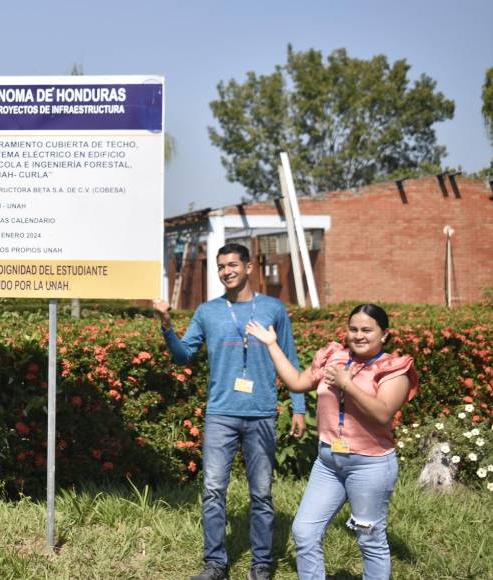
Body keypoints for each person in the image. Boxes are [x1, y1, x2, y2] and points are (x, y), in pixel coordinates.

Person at [152, 242, 306, 580]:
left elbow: (291, 359)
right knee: (212, 491)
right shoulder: (208, 311)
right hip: (221, 413)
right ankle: (215, 564)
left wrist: (298, 407)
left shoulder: (273, 309)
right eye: (221, 266)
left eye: (233, 264)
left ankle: (262, 564)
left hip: (262, 411)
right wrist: (166, 325)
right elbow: (183, 355)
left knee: (262, 493)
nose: (227, 271)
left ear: (249, 267)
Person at [246, 304, 417, 580]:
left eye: (367, 330)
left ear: (384, 334)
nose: (358, 335)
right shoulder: (334, 356)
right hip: (328, 463)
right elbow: (297, 382)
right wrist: (272, 345)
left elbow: (382, 413)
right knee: (304, 531)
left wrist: (347, 384)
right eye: (353, 329)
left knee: (369, 539)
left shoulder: (393, 369)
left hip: (370, 466)